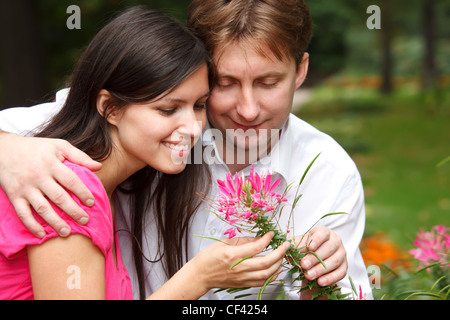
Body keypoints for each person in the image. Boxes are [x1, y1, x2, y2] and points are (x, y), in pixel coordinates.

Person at [0, 0, 372, 299]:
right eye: (225, 83)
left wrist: (320, 281)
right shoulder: (128, 140)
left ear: (301, 71)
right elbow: (81, 113)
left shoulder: (327, 173)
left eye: (267, 82)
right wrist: (11, 151)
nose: (247, 109)